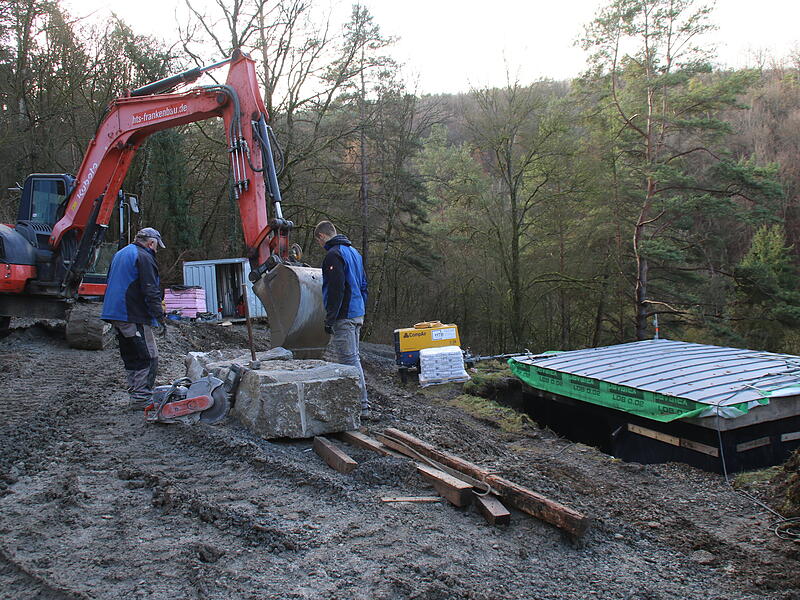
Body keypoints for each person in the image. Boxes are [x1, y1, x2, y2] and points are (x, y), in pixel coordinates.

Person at [101, 227, 166, 410]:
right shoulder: (144, 257)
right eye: (156, 246)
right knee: (148, 356)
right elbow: (150, 289)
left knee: (130, 354)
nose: (156, 250)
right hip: (132, 312)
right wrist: (159, 316)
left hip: (115, 312)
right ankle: (141, 398)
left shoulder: (121, 253)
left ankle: (135, 393)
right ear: (151, 243)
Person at [314, 220, 372, 418]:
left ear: (321, 236)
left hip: (344, 316)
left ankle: (361, 406)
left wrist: (330, 318)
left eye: (318, 242)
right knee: (353, 358)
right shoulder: (354, 253)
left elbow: (336, 289)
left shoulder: (333, 255)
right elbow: (364, 285)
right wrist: (360, 308)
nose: (320, 246)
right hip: (357, 313)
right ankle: (360, 404)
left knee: (349, 361)